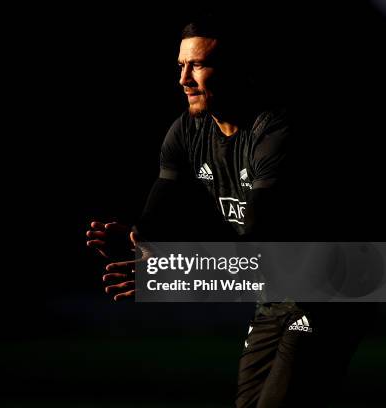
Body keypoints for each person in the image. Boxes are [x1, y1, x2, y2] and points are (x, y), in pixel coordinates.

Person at [86, 17, 376, 407]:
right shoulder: (186, 131)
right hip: (276, 291)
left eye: (199, 65)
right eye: (181, 66)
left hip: (336, 288)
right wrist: (142, 238)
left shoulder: (275, 133)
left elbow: (263, 243)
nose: (184, 80)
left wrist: (173, 277)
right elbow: (163, 200)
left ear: (238, 71)